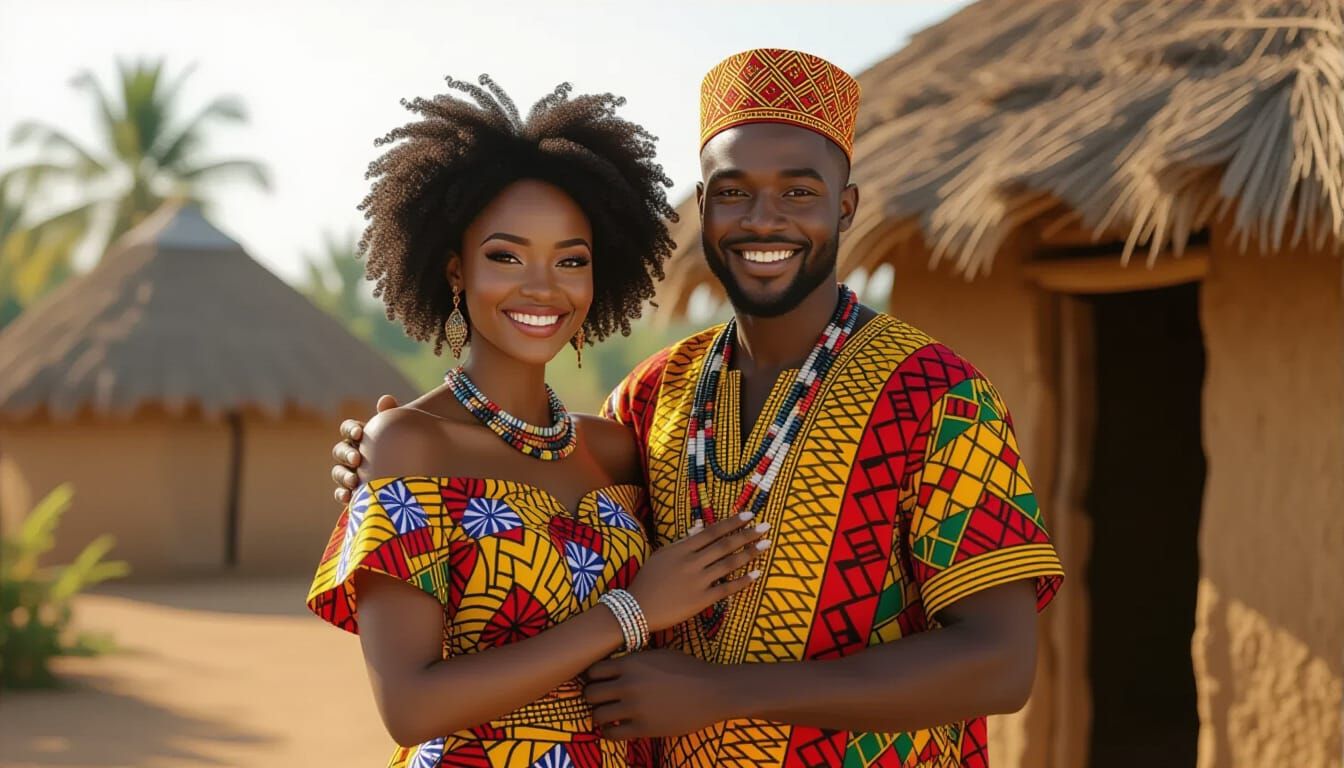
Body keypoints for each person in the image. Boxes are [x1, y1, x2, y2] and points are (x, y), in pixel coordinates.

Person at [332, 50, 1065, 767]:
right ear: (704, 205)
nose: (763, 219)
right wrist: (387, 464)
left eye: (799, 192)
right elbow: (515, 507)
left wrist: (724, 693)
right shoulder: (653, 398)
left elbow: (1000, 664)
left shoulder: (939, 396)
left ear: (846, 207)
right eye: (733, 190)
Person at [307, 75, 772, 768]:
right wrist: (632, 610)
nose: (542, 287)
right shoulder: (410, 443)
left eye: (571, 261)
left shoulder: (615, 448)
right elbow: (409, 708)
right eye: (506, 255)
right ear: (455, 270)